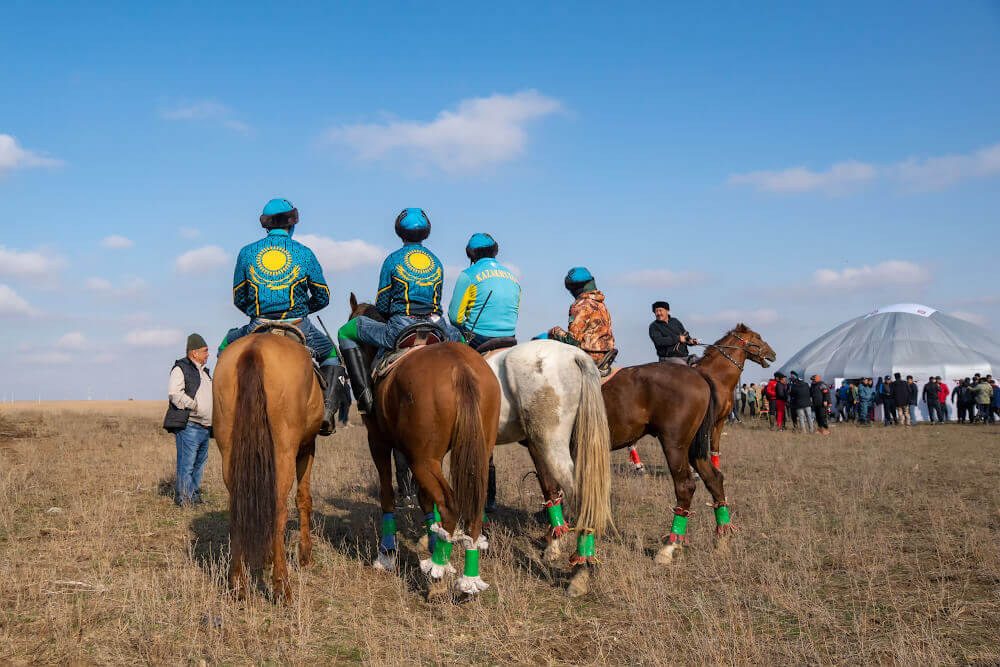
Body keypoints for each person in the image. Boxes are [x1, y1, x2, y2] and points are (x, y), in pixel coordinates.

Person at [220, 198, 347, 435]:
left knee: (225, 346)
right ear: (292, 223)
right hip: (298, 324)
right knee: (332, 355)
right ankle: (327, 415)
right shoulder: (304, 253)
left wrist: (256, 312)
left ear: (266, 224)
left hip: (258, 324)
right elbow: (323, 296)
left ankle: (220, 414)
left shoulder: (246, 253)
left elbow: (239, 297)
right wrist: (303, 309)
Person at [338, 208, 463, 414]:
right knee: (462, 339)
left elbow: (382, 305)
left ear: (399, 232)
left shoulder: (392, 260)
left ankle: (364, 397)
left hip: (400, 329)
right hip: (437, 327)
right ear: (426, 232)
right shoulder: (436, 262)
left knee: (345, 332)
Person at [162, 334, 213, 507]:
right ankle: (184, 499)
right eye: (205, 351)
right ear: (194, 352)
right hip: (190, 425)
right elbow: (174, 393)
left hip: (205, 427)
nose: (208, 354)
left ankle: (193, 496)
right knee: (187, 464)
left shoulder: (205, 372)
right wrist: (194, 406)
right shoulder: (181, 368)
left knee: (199, 465)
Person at [447, 233, 521, 349]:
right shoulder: (512, 276)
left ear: (470, 253)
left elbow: (455, 318)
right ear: (495, 250)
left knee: (448, 332)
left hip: (479, 338)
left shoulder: (467, 274)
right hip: (509, 336)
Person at [548, 267, 616, 369]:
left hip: (588, 357)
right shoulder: (601, 304)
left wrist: (554, 332)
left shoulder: (580, 305)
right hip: (606, 356)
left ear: (576, 288)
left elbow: (572, 341)